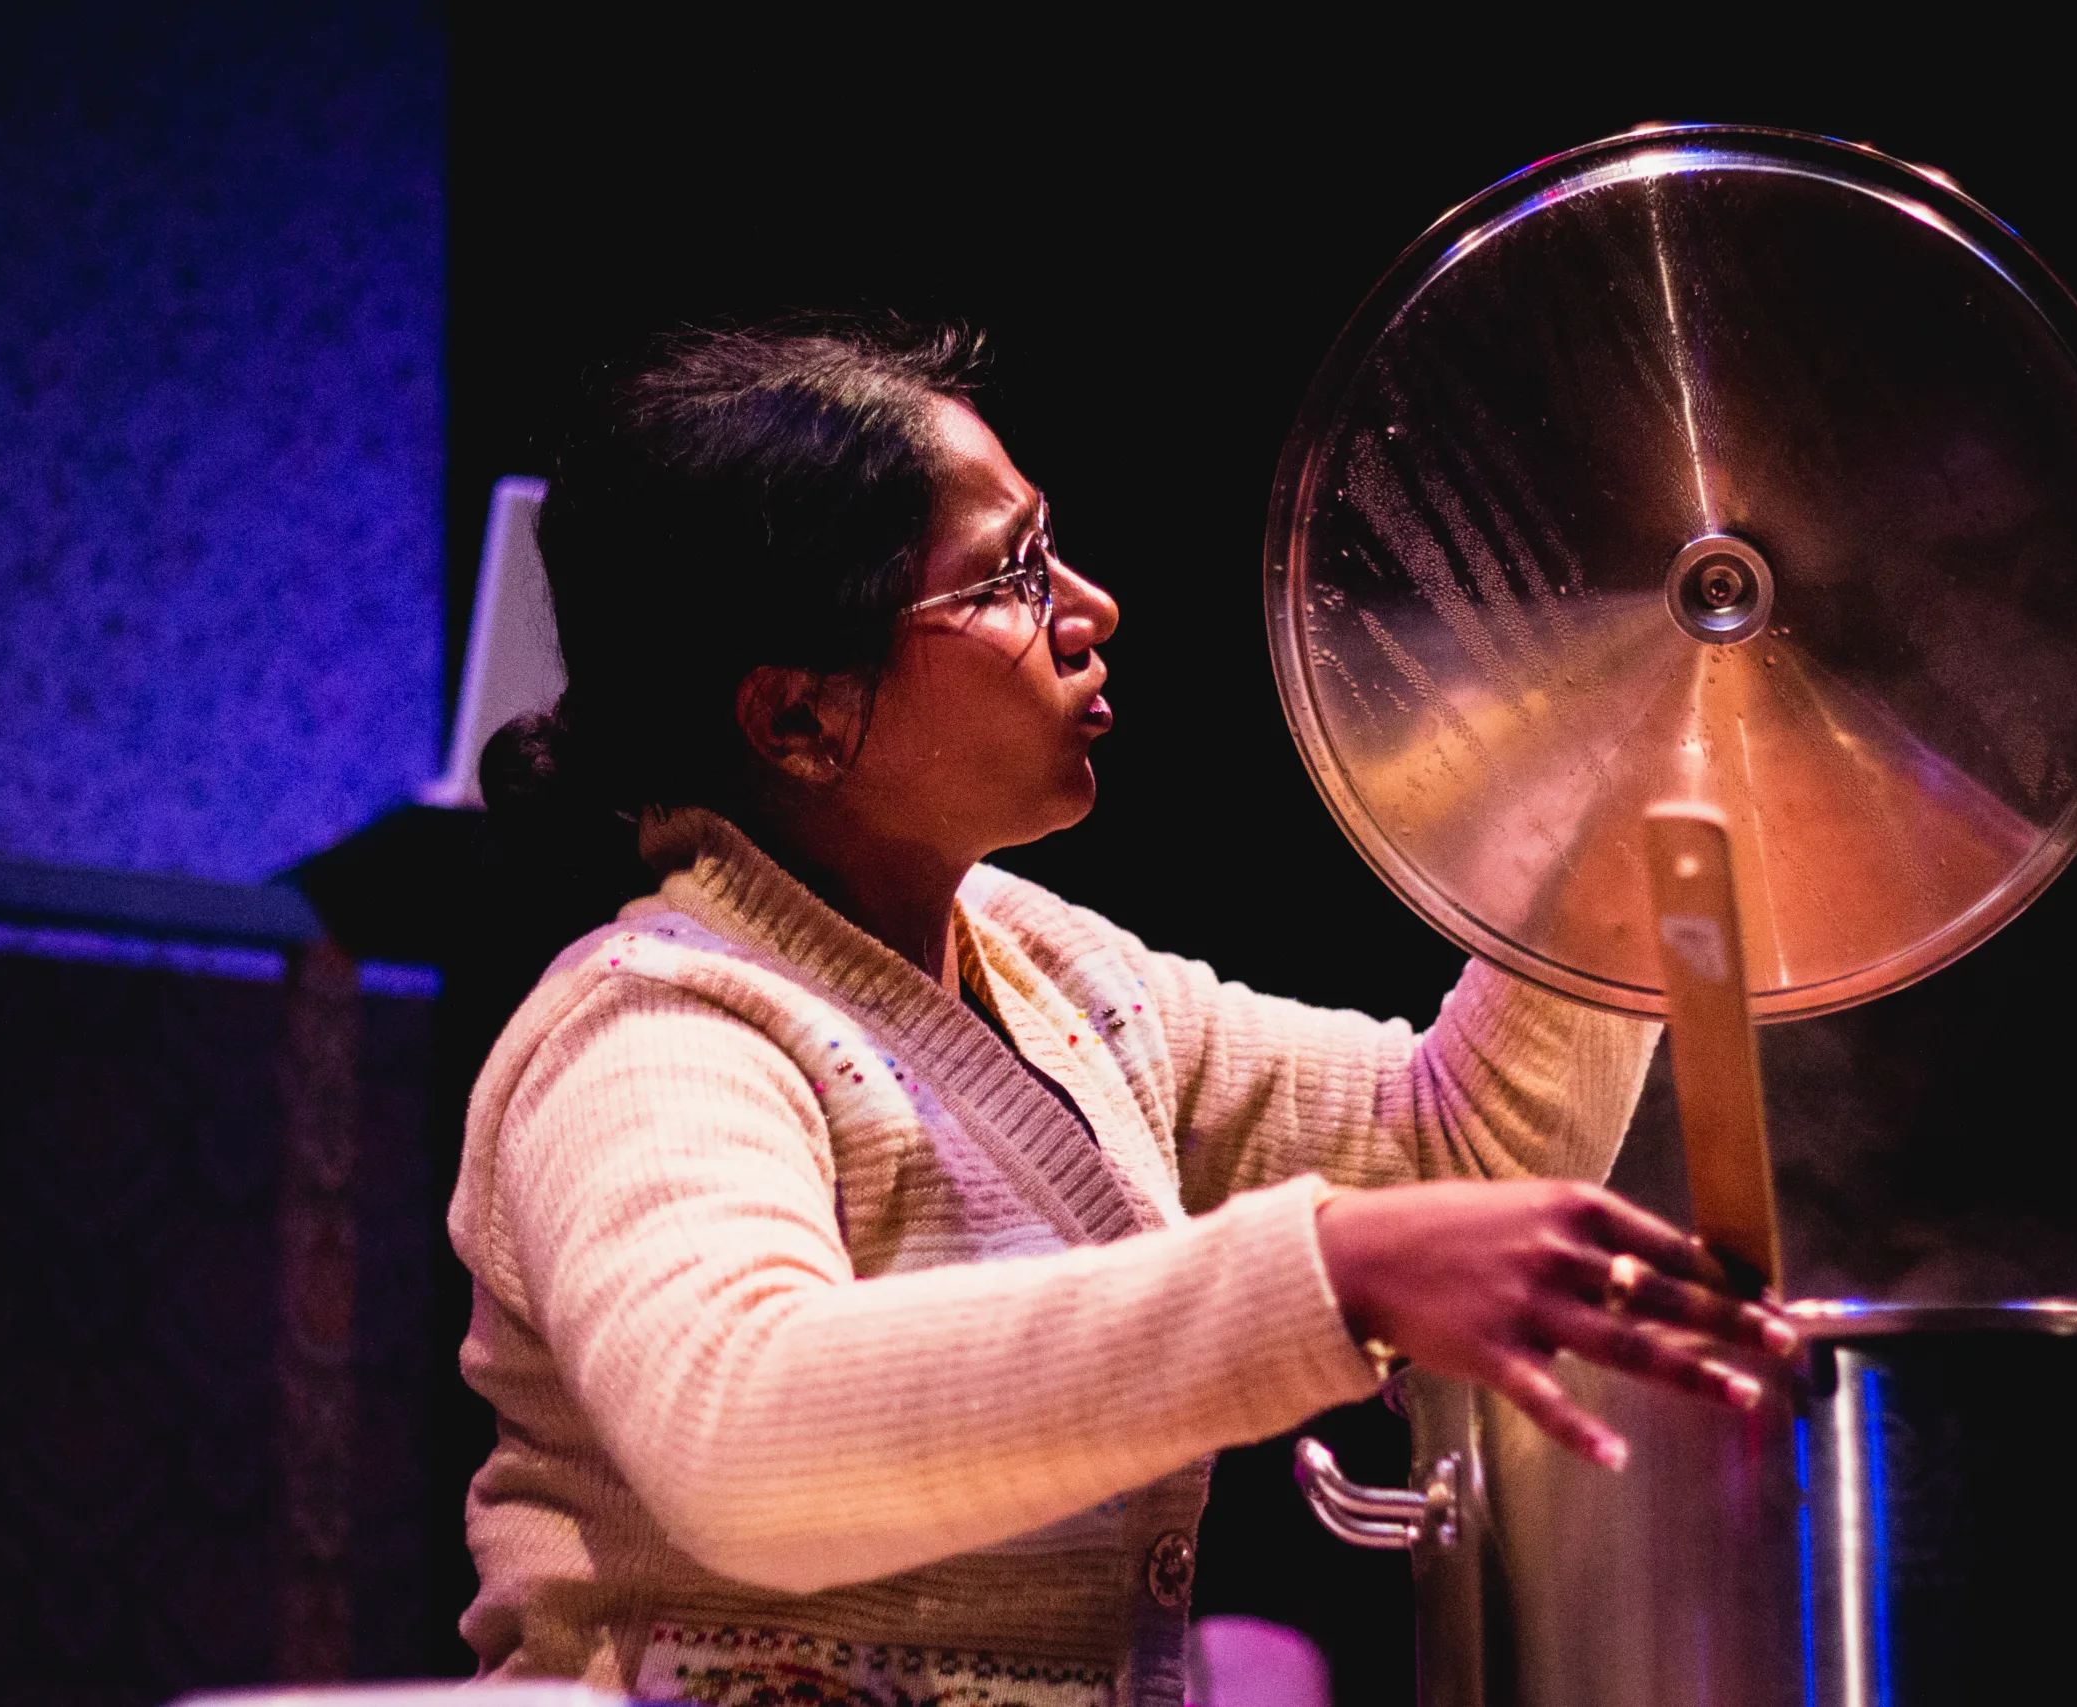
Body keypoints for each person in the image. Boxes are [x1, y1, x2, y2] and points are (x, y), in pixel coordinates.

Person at [452, 321, 1795, 1707]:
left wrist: (1626, 773)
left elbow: (1454, 1150)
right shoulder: (654, 1036)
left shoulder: (1057, 975)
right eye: (1012, 578)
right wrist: (1328, 1271)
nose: (1091, 608)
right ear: (800, 718)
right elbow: (743, 1430)